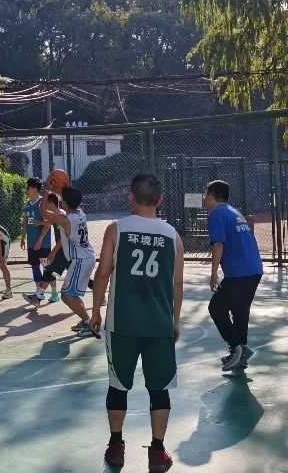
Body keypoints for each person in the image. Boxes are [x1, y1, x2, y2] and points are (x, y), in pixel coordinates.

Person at [90, 174, 184, 472]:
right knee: (160, 388)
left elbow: (103, 273)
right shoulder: (173, 236)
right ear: (160, 200)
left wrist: (95, 311)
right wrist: (175, 321)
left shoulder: (116, 229)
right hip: (159, 324)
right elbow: (177, 283)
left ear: (130, 197)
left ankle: (116, 446)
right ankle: (157, 451)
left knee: (118, 385)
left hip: (123, 323)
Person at [204, 180, 263, 371]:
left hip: (240, 273)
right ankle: (239, 350)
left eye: (205, 195)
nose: (204, 199)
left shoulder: (216, 213)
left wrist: (213, 272)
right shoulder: (234, 212)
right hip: (254, 269)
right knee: (239, 309)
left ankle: (237, 347)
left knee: (216, 308)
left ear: (211, 196)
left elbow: (218, 244)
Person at [42, 186, 96, 336]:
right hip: (84, 257)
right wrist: (55, 190)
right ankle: (86, 321)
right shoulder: (80, 213)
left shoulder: (66, 219)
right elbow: (70, 199)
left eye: (62, 201)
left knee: (68, 295)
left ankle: (90, 324)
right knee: (68, 295)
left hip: (80, 260)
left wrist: (46, 194)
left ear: (66, 203)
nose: (60, 202)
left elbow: (43, 212)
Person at [22, 192, 69, 307]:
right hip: (63, 250)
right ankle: (37, 298)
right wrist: (39, 222)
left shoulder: (62, 215)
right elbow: (50, 222)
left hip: (67, 252)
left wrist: (53, 252)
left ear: (51, 203)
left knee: (81, 278)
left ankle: (39, 297)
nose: (44, 206)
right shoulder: (57, 214)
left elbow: (63, 238)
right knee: (49, 271)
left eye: (45, 203)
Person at [21, 177, 59, 304]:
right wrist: (23, 237)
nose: (26, 189)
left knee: (47, 268)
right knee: (35, 267)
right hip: (31, 242)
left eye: (28, 187)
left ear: (35, 189)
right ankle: (38, 295)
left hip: (43, 243)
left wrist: (40, 240)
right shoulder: (28, 204)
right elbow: (25, 221)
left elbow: (47, 223)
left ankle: (54, 293)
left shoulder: (43, 203)